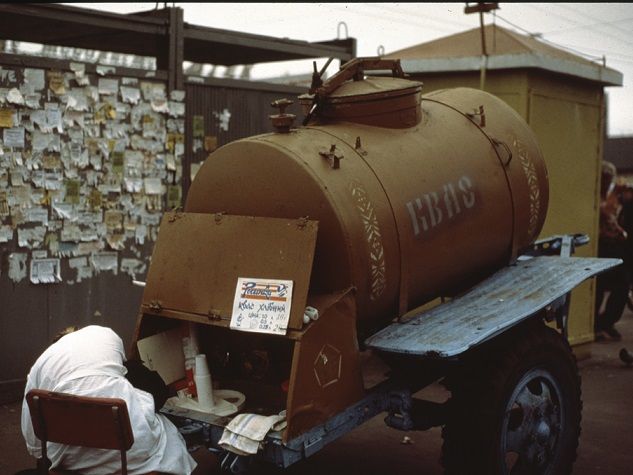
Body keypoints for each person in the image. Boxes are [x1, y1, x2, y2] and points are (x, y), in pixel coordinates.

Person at [21, 325, 198, 475]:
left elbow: (34, 444)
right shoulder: (104, 334)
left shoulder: (40, 364)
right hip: (129, 456)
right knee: (163, 425)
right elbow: (127, 377)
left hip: (67, 460)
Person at [595, 161, 629, 341]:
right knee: (597, 287)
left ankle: (606, 321)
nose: (608, 182)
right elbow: (604, 211)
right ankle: (597, 325)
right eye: (605, 178)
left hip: (613, 245)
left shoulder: (608, 196)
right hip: (599, 246)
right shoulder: (594, 196)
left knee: (622, 286)